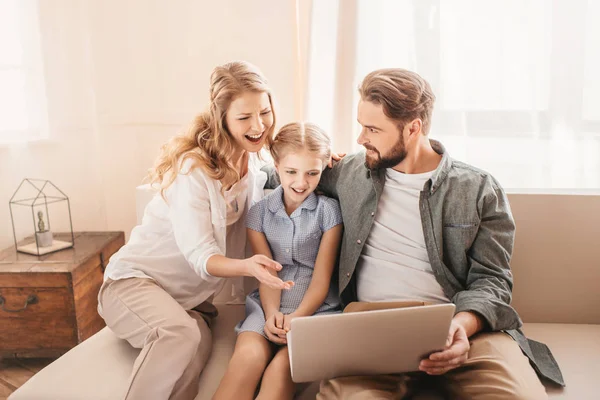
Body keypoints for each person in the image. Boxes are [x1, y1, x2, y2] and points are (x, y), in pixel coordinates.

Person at [267, 69, 564, 399]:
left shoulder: (477, 188)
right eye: (361, 124)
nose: (360, 138)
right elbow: (276, 173)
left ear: (412, 128)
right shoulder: (350, 171)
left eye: (372, 129)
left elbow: (492, 279)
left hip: (461, 325)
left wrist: (462, 326)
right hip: (370, 329)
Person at [97, 61, 294, 400]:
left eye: (264, 111)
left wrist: (325, 162)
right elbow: (200, 254)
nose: (259, 125)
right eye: (244, 118)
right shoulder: (194, 169)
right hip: (132, 284)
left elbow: (294, 172)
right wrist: (248, 266)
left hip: (188, 304)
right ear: (222, 119)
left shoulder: (255, 167)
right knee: (180, 336)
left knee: (191, 357)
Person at [213, 122, 344, 400]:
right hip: (266, 304)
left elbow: (321, 279)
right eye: (291, 172)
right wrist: (272, 314)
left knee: (280, 372)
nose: (301, 182)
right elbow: (266, 272)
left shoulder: (329, 212)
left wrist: (296, 319)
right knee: (245, 360)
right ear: (276, 166)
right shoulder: (258, 214)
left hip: (315, 311)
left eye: (312, 173)